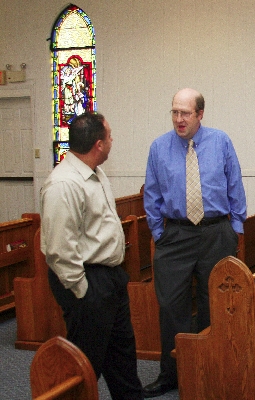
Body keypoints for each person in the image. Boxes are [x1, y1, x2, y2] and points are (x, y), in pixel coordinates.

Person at [143, 88, 247, 397]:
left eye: (185, 113)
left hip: (215, 232)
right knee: (170, 306)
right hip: (175, 235)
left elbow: (234, 184)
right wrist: (160, 234)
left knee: (212, 304)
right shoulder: (159, 147)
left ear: (200, 114)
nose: (179, 119)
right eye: (174, 112)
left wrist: (236, 229)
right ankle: (171, 373)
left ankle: (210, 365)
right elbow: (152, 194)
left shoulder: (220, 141)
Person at [40, 112, 144, 400]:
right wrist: (83, 291)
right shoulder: (64, 184)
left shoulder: (94, 173)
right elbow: (60, 250)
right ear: (99, 144)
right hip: (88, 281)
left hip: (109, 277)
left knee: (122, 356)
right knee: (85, 364)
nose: (112, 141)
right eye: (109, 136)